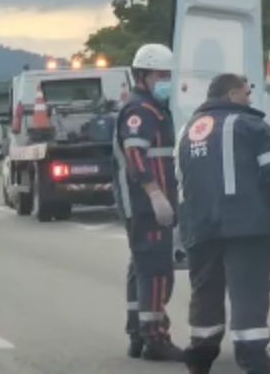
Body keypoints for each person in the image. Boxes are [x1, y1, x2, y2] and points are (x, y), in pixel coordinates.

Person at [177, 74, 270, 374]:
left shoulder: (187, 130)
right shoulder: (252, 127)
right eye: (246, 92)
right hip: (247, 227)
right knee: (249, 292)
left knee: (205, 292)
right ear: (231, 94)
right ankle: (253, 358)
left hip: (199, 226)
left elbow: (180, 181)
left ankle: (200, 356)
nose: (250, 98)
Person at [114, 43, 183, 362]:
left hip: (149, 202)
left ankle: (137, 331)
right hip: (145, 204)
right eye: (162, 74)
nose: (167, 80)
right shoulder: (141, 111)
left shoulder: (155, 108)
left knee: (141, 268)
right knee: (155, 269)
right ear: (143, 75)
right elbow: (135, 155)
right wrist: (155, 194)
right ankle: (155, 338)